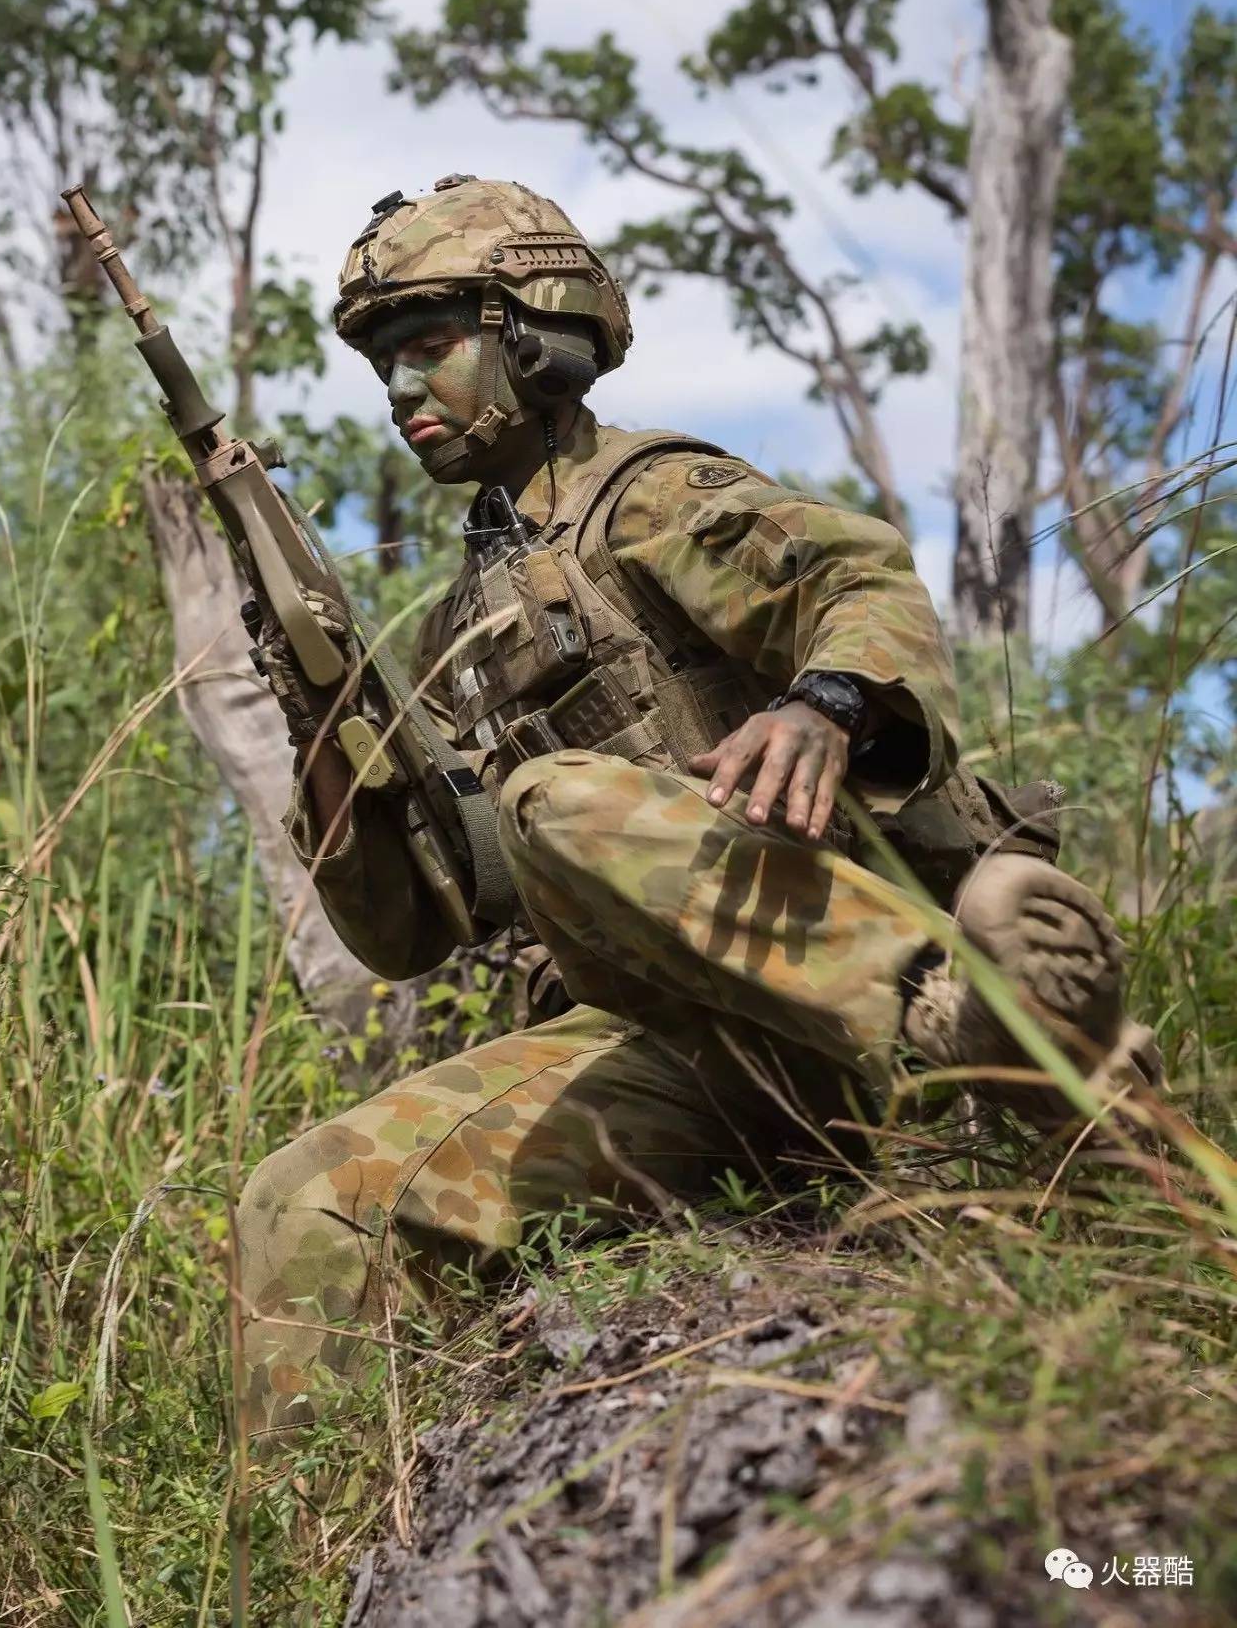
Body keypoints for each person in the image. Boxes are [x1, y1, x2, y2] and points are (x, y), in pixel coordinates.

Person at [237, 175, 1153, 1438]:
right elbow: (414, 931)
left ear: (533, 336)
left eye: (427, 347)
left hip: (815, 993)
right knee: (301, 1201)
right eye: (381, 365)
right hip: (671, 1058)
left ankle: (981, 1025)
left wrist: (824, 705)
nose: (398, 393)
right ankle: (316, 1536)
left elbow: (854, 574)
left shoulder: (649, 495)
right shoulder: (459, 628)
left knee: (558, 800)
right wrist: (328, 736)